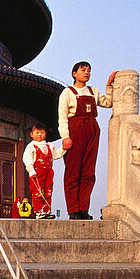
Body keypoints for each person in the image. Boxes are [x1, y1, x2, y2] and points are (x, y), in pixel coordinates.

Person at [59, 61, 116, 219]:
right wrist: (66, 137)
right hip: (75, 130)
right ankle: (73, 210)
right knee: (73, 171)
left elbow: (108, 103)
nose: (87, 73)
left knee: (88, 172)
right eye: (83, 70)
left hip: (92, 129)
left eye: (89, 70)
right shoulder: (68, 93)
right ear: (74, 73)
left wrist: (110, 86)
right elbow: (62, 118)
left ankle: (84, 208)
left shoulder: (93, 91)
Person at [22, 123, 71, 219]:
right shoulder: (31, 147)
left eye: (42, 132)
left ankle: (47, 211)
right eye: (37, 132)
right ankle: (39, 212)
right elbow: (27, 159)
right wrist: (31, 170)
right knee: (37, 192)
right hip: (37, 173)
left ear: (45, 134)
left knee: (48, 192)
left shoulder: (49, 146)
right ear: (31, 134)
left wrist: (63, 149)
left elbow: (55, 155)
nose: (40, 135)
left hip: (48, 173)